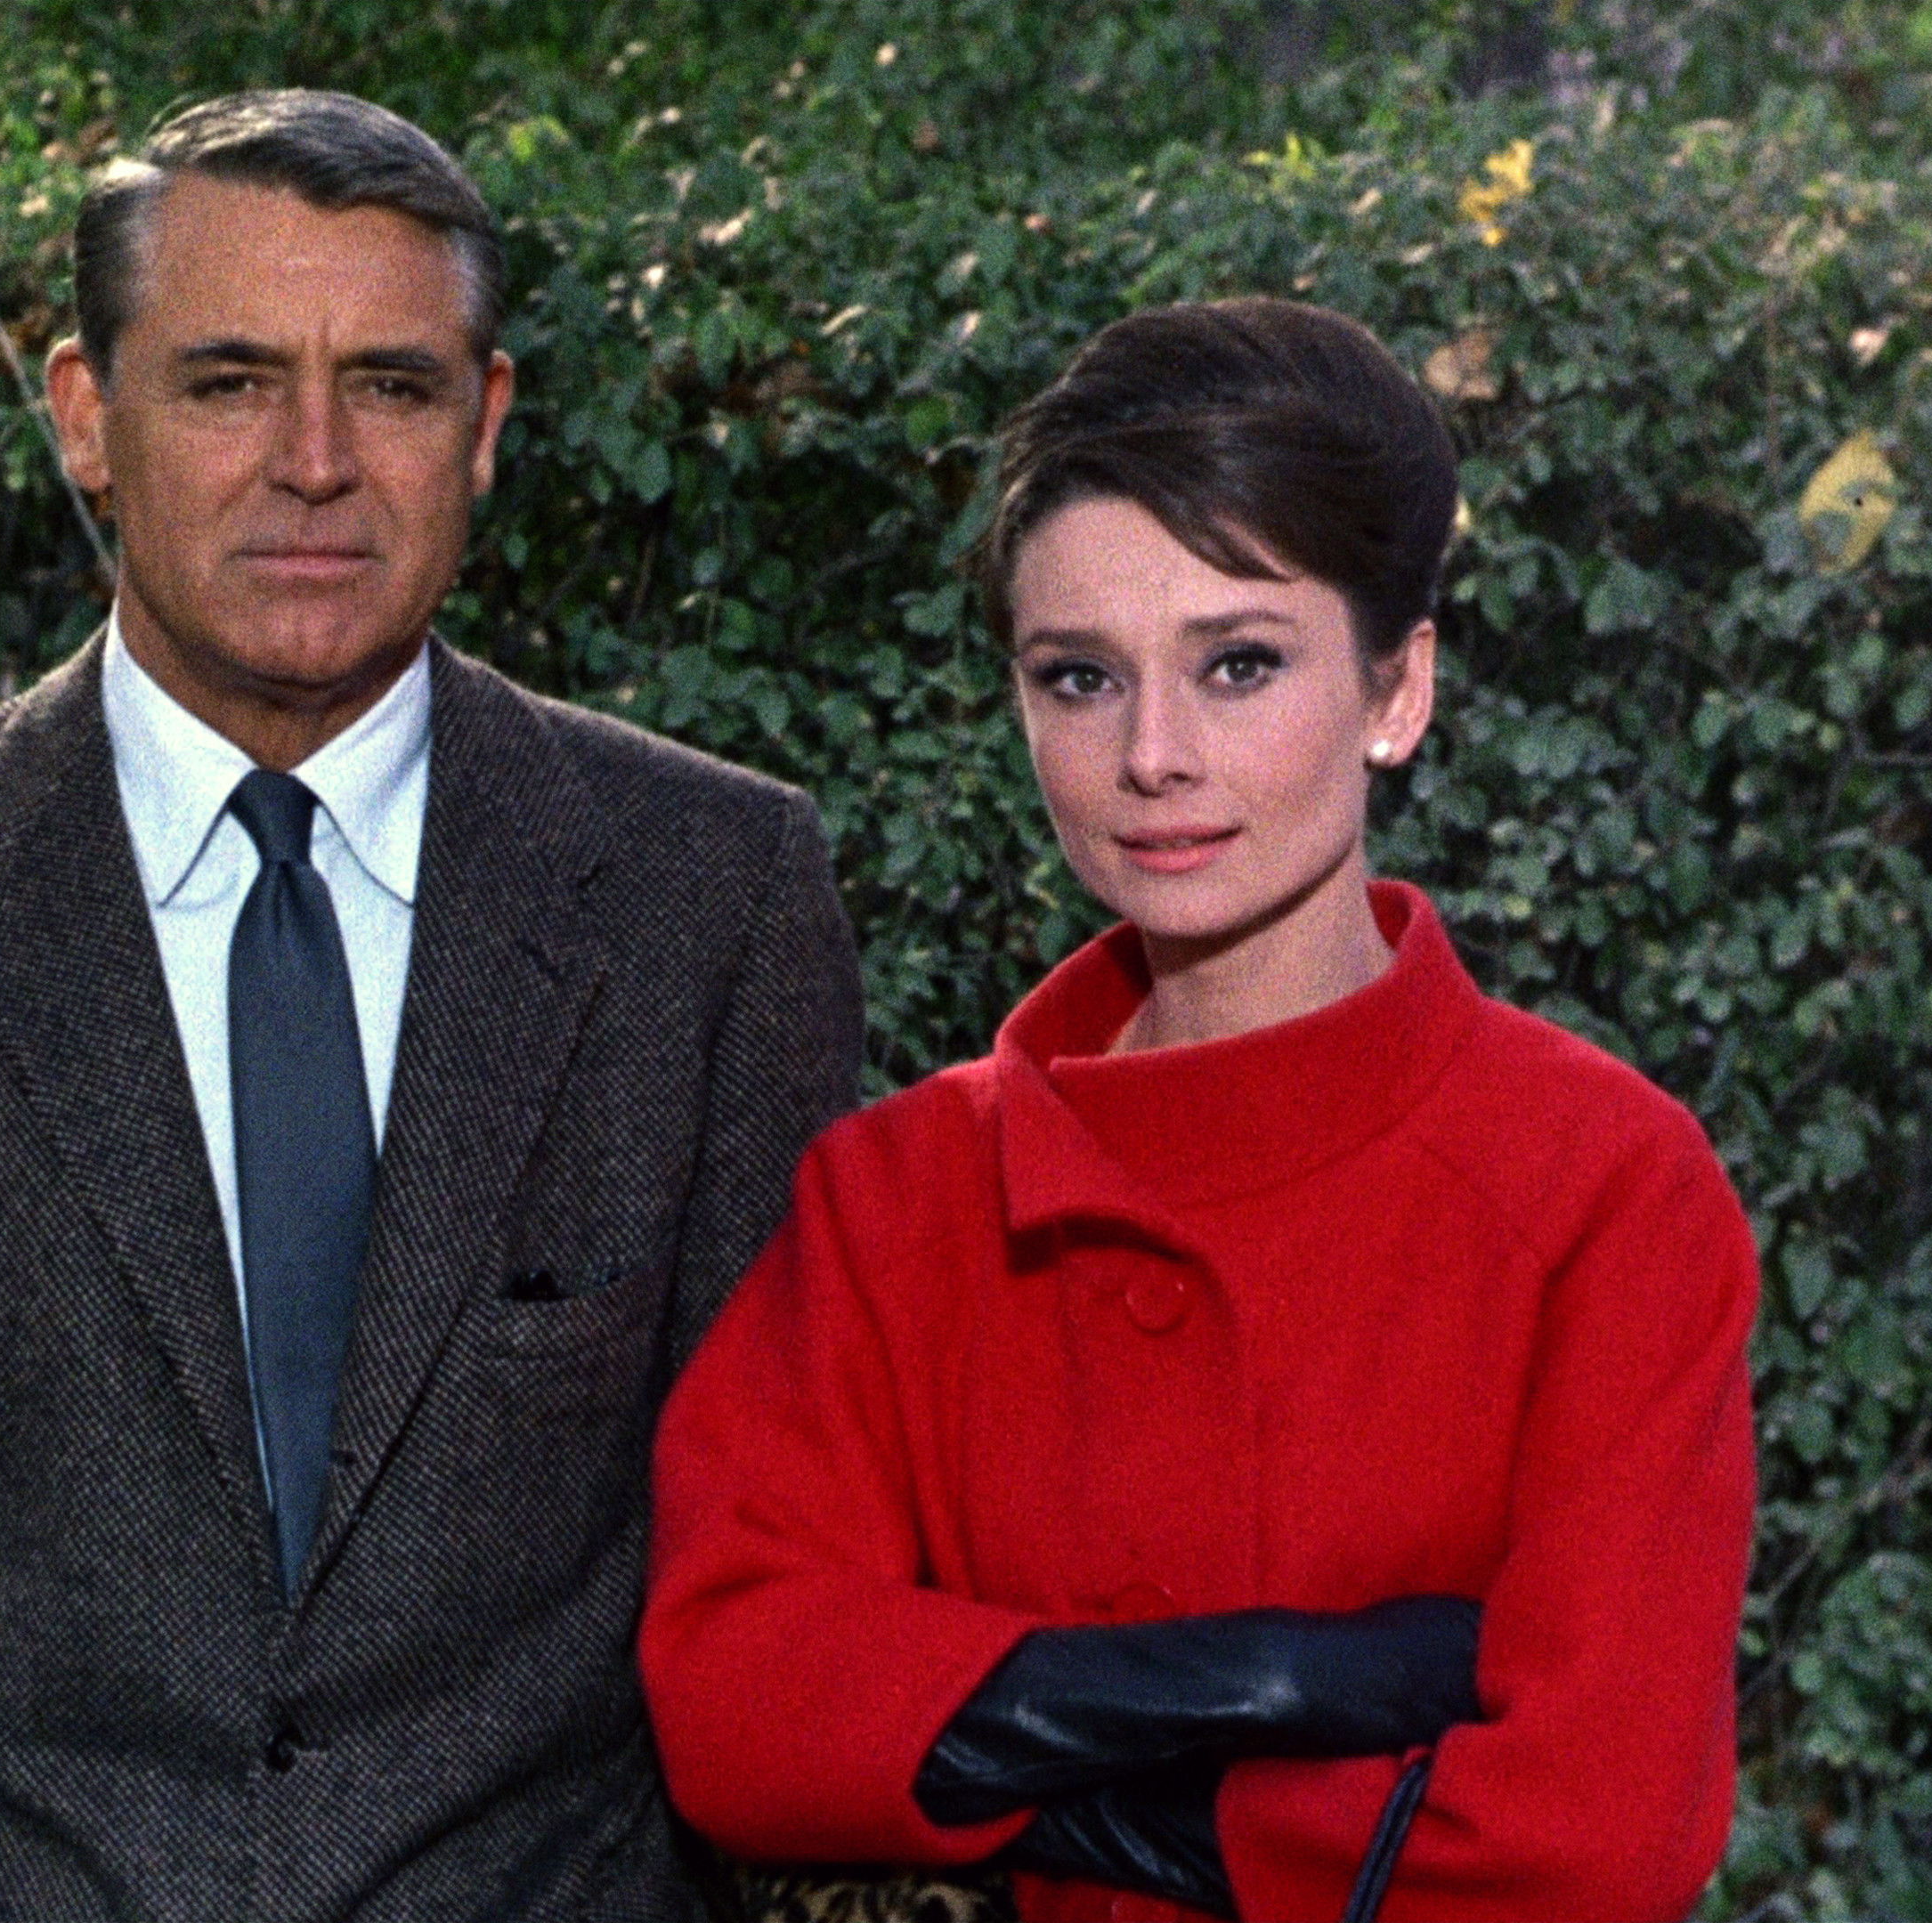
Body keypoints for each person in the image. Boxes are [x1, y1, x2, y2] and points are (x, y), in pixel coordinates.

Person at [0, 90, 862, 1921]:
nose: (314, 461)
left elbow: (782, 1609)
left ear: (485, 426)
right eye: (229, 382)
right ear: (87, 416)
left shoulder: (710, 898)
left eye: (390, 386)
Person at [640, 299, 1757, 1923]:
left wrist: (1045, 1781)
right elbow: (733, 1704)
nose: (1151, 756)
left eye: (1239, 664)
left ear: (1397, 689)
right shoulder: (901, 1195)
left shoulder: (1601, 1185)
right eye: (1079, 678)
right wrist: (1262, 1691)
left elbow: (1595, 1832)